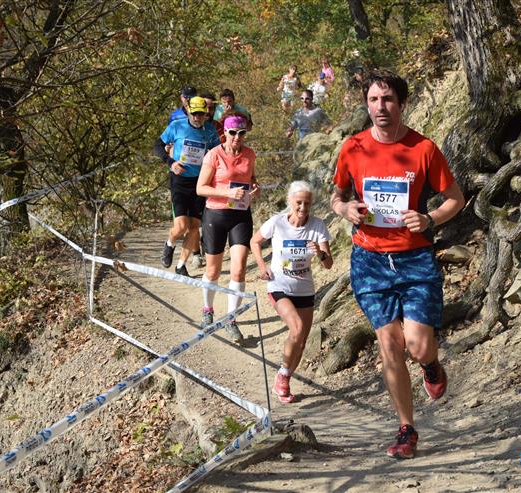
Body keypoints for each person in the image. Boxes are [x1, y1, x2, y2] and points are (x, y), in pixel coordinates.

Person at [330, 70, 465, 460]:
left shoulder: (423, 149)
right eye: (374, 100)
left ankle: (431, 364)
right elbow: (337, 197)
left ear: (402, 104)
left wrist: (429, 219)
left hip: (414, 259)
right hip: (369, 260)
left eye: (388, 99)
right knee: (390, 343)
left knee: (419, 346)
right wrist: (345, 209)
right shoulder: (352, 147)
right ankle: (407, 429)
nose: (380, 107)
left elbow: (455, 198)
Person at [250, 181, 333, 403]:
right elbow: (255, 241)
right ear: (290, 201)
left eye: (307, 203)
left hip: (305, 289)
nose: (303, 208)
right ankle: (283, 375)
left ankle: (284, 379)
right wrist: (262, 267)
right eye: (299, 202)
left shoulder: (317, 226)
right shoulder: (277, 222)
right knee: (296, 328)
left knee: (302, 341)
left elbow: (328, 264)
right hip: (279, 286)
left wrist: (320, 253)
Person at [196, 114, 260, 342]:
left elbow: (251, 178)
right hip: (216, 215)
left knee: (239, 269)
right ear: (225, 132)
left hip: (241, 215)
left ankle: (231, 319)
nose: (237, 137)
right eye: (233, 132)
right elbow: (200, 188)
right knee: (213, 271)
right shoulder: (213, 155)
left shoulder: (249, 154)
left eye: (242, 133)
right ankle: (207, 310)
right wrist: (227, 193)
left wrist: (255, 187)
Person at [154, 96, 220, 277]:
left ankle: (181, 265)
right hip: (179, 181)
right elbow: (158, 145)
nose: (197, 117)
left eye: (201, 114)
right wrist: (171, 163)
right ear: (188, 112)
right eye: (194, 113)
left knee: (194, 227)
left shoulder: (210, 130)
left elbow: (218, 152)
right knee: (181, 226)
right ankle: (169, 244)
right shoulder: (177, 126)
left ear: (206, 114)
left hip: (199, 183)